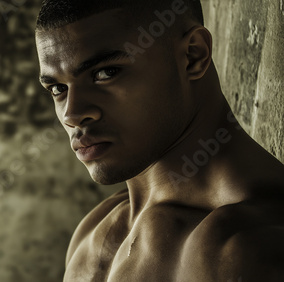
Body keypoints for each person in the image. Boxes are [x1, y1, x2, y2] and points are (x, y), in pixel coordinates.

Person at [34, 0, 284, 281]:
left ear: (193, 55)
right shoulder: (92, 231)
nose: (72, 114)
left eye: (105, 73)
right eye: (57, 88)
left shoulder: (250, 246)